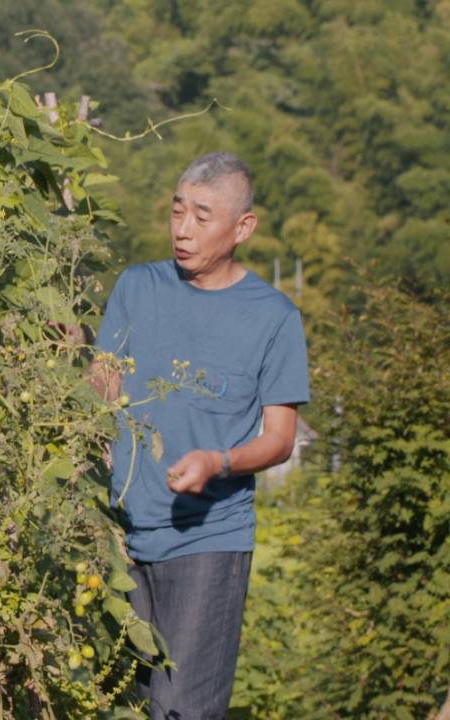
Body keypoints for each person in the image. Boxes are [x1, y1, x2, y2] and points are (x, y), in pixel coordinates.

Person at [92, 152, 310, 718]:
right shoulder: (136, 287)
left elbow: (281, 438)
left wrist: (219, 461)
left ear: (242, 228)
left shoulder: (275, 317)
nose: (182, 229)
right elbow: (100, 394)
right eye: (177, 211)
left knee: (181, 709)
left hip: (207, 542)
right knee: (125, 705)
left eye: (202, 216)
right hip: (120, 537)